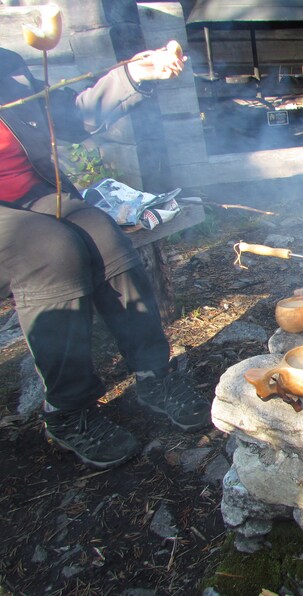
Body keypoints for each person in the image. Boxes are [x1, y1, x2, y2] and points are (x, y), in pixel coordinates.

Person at [0, 42, 211, 469]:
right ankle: (67, 411)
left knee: (103, 233)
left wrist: (135, 75)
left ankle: (154, 375)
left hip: (34, 194)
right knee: (54, 251)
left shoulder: (8, 65)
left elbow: (73, 116)